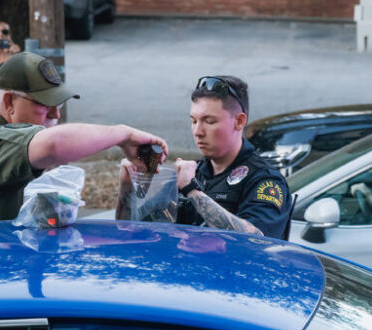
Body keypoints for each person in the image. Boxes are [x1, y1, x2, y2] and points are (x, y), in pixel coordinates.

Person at [0, 52, 169, 224]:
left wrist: (127, 189)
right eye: (45, 105)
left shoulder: (16, 154)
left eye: (58, 105)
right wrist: (123, 134)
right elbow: (54, 144)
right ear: (10, 102)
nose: (56, 114)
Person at [118, 76, 291, 239]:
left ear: (239, 121)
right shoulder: (196, 172)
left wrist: (192, 190)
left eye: (209, 121)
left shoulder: (265, 179)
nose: (197, 131)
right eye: (194, 121)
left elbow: (257, 239)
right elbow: (133, 232)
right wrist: (128, 187)